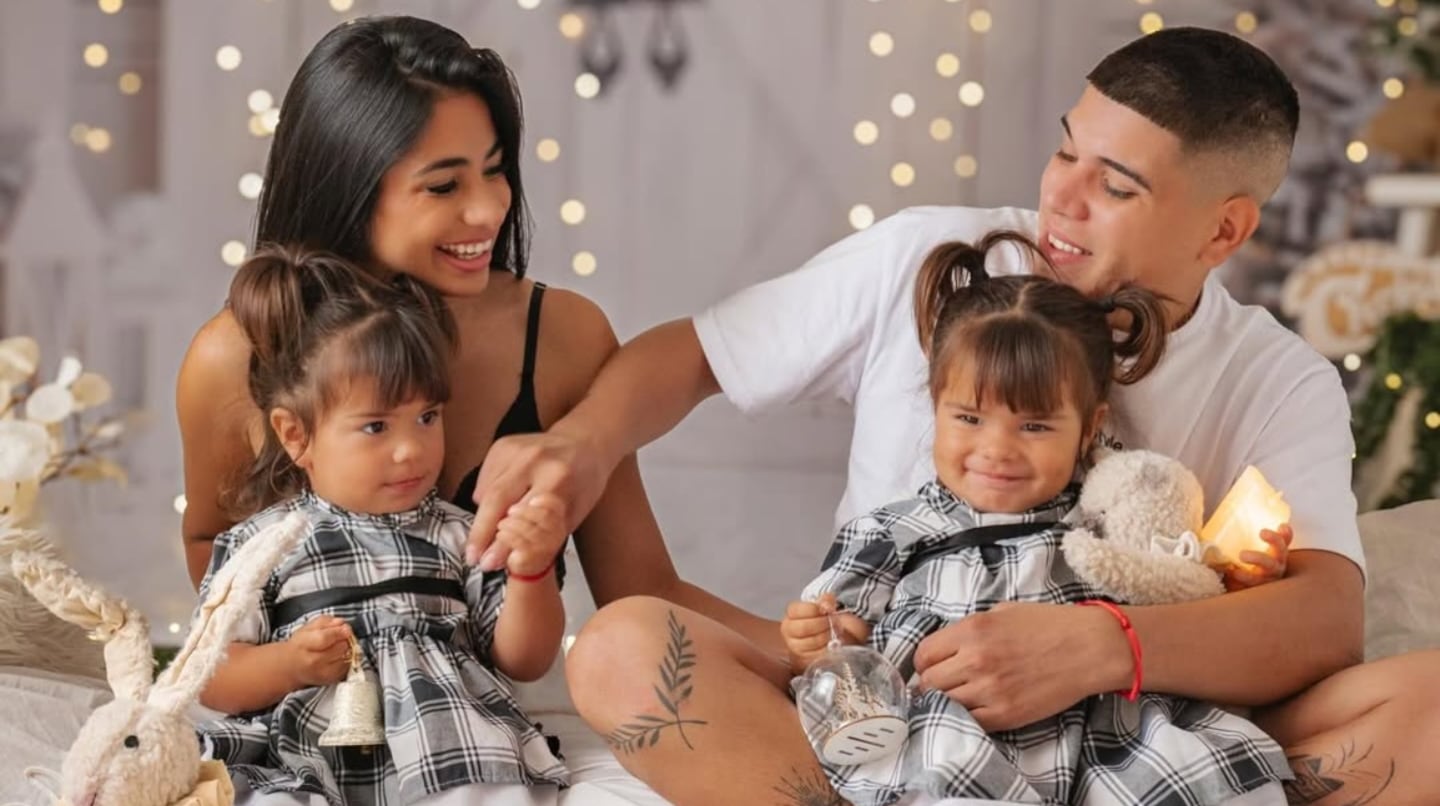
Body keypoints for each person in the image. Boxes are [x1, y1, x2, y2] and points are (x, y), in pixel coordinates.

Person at [468, 26, 1440, 806]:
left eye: (1116, 184)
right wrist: (578, 444)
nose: (1062, 197)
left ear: (1224, 228)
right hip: (895, 693)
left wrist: (1100, 647)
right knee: (622, 650)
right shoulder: (925, 255)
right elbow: (691, 354)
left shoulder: (1277, 377)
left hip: (1127, 721)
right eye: (1066, 150)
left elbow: (1324, 621)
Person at [176, 17, 767, 638]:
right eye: (443, 185)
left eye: (494, 169)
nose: (489, 208)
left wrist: (815, 644)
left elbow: (645, 592)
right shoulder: (236, 355)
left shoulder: (563, 337)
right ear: (348, 186)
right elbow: (210, 543)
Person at [782, 232, 1290, 805]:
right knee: (932, 770)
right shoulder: (892, 531)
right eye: (969, 418)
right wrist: (818, 640)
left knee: (1209, 780)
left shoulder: (1105, 516)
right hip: (951, 731)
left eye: (1034, 426)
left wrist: (1241, 576)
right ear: (935, 407)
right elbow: (838, 645)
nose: (997, 450)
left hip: (1100, 733)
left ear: (1089, 427)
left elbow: (1176, 592)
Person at [197, 247, 570, 804]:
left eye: (427, 417)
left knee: (487, 786)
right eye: (376, 427)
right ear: (295, 435)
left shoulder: (461, 534)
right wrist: (288, 663)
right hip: (308, 749)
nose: (410, 450)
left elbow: (525, 659)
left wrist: (531, 571)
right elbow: (211, 673)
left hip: (446, 742)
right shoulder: (262, 543)